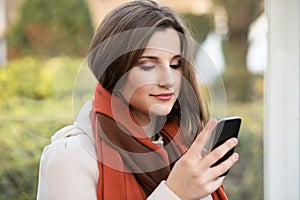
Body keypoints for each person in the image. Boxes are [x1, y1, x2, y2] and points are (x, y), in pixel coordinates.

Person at [36, 1, 239, 199]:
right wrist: (174, 193)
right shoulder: (71, 156)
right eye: (148, 66)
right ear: (114, 70)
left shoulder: (180, 152)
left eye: (175, 65)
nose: (168, 80)